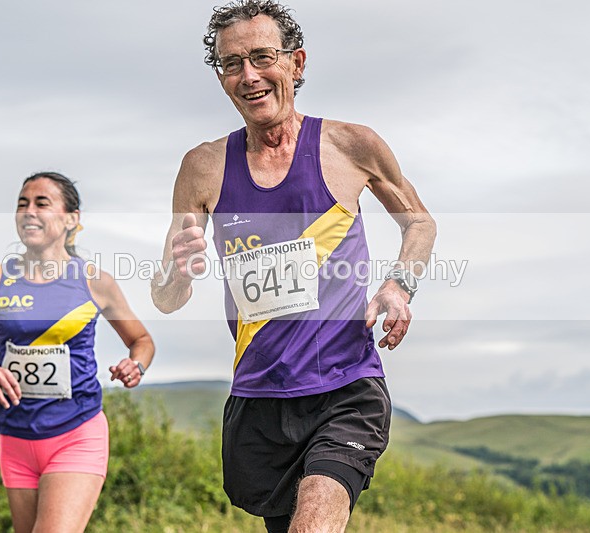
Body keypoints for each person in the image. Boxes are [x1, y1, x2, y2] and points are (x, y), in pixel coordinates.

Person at [151, 1, 436, 532]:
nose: (249, 76)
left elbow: (419, 222)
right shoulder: (203, 166)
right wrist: (178, 271)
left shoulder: (351, 146)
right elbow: (166, 297)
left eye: (263, 57)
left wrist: (400, 286)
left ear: (296, 63)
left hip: (345, 387)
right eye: (231, 64)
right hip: (259, 394)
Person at [0, 172, 154, 533]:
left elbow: (142, 340)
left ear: (71, 219)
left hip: (76, 431)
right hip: (15, 438)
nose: (28, 211)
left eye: (41, 203)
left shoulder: (94, 281)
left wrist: (136, 366)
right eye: (22, 204)